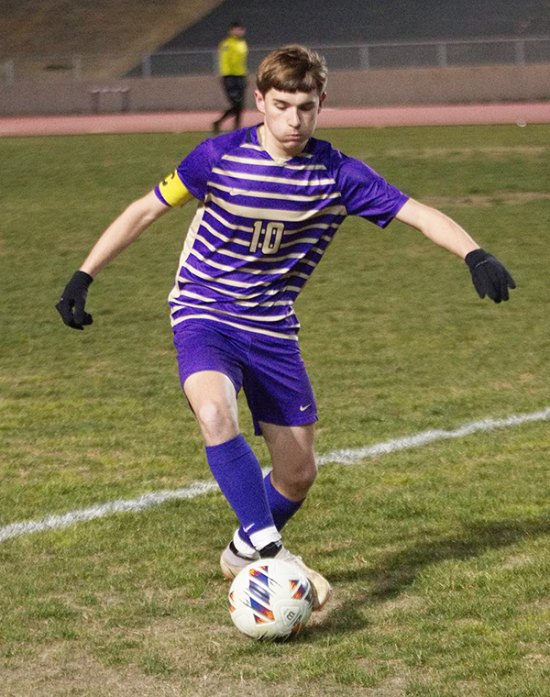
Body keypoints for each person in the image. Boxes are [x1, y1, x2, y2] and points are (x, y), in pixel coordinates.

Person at [56, 44, 515, 611]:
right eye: (281, 105)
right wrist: (84, 274)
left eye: (306, 106)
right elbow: (145, 209)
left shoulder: (339, 173)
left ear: (322, 104)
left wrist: (475, 253)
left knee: (297, 474)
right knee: (214, 411)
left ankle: (244, 548)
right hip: (205, 312)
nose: (293, 120)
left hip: (272, 328)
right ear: (260, 102)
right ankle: (271, 553)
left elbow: (417, 213)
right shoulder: (217, 157)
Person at [212, 21, 248, 134]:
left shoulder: (243, 43)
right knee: (235, 103)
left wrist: (244, 75)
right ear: (231, 31)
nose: (240, 31)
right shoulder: (226, 44)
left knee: (240, 105)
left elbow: (242, 61)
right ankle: (219, 122)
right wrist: (226, 76)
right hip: (230, 77)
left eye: (241, 29)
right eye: (237, 29)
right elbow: (224, 61)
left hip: (240, 76)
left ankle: (236, 128)